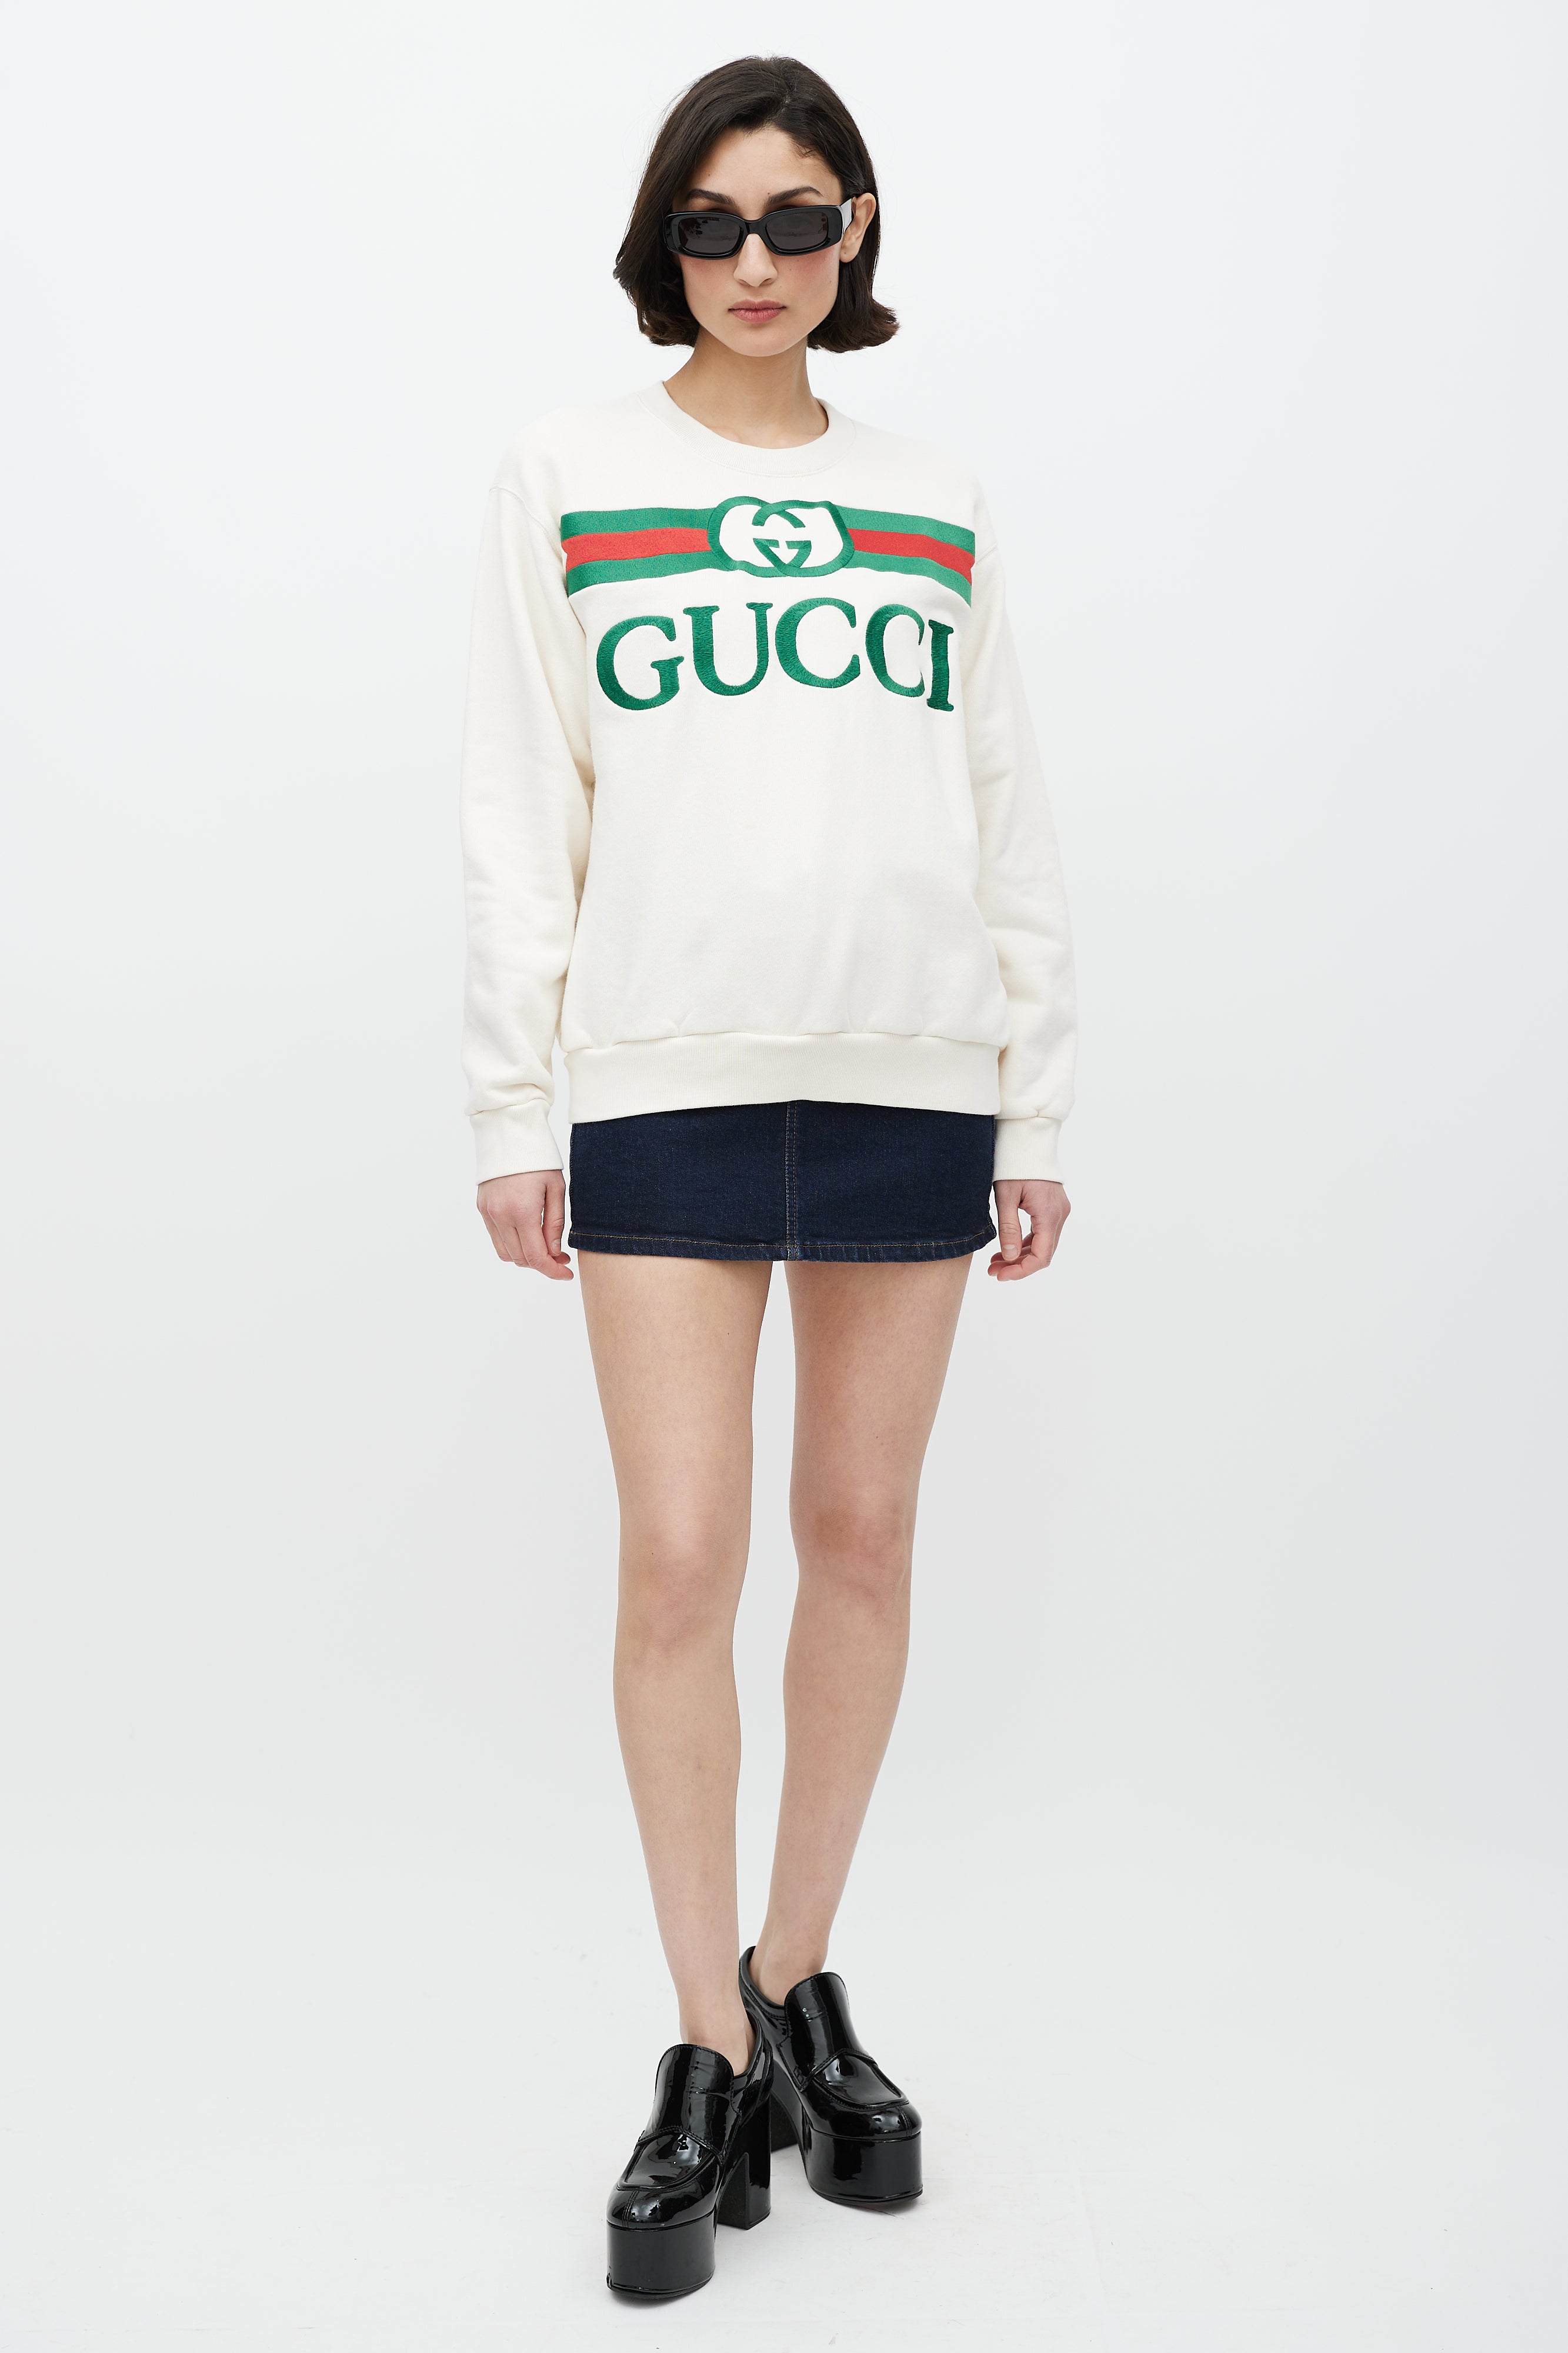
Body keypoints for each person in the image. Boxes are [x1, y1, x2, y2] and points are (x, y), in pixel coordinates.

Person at [459, 54, 1076, 2299]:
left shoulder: (935, 496)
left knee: (863, 1536)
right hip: (662, 1073)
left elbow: (1002, 801)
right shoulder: (568, 473)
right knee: (678, 1558)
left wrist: (1033, 1104)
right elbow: (522, 803)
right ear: (666, 239)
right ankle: (703, 2050)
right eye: (712, 224)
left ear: (856, 233)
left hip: (912, 1070)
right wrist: (514, 1108)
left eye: (795, 220)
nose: (753, 262)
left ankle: (800, 1983)